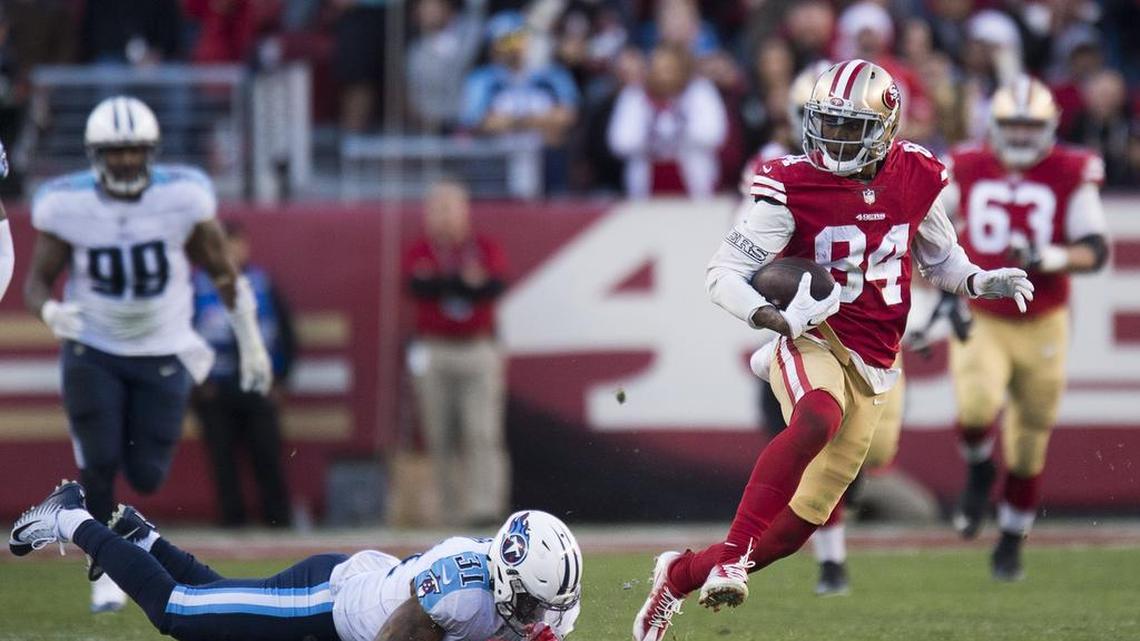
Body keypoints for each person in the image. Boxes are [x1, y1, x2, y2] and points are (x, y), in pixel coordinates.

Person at [632, 59, 1034, 641]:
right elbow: (722, 274)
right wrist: (776, 317)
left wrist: (978, 280)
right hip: (813, 334)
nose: (834, 138)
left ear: (887, 128)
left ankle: (679, 574)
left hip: (876, 359)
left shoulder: (917, 172)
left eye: (851, 127)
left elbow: (939, 259)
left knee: (795, 530)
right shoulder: (790, 183)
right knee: (817, 415)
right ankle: (729, 558)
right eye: (828, 123)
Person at [23, 96, 273, 613]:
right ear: (96, 155)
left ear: (151, 152)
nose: (125, 162)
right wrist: (50, 312)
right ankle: (106, 571)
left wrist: (250, 345)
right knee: (100, 461)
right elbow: (36, 281)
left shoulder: (181, 197)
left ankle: (126, 532)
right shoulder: (69, 205)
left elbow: (224, 272)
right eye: (115, 152)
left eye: (134, 151)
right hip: (93, 346)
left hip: (163, 349)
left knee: (146, 474)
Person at [9, 480, 582, 641]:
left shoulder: (543, 603)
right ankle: (69, 517)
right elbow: (398, 637)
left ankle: (144, 540)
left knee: (224, 602)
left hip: (372, 581)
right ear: (507, 577)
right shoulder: (461, 586)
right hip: (331, 604)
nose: (539, 614)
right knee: (182, 613)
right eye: (532, 599)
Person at [947, 76, 1109, 581]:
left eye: (1029, 126)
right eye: (1011, 125)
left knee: (1029, 441)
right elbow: (925, 226)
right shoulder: (966, 166)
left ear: (1050, 128)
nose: (1019, 136)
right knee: (975, 406)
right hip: (985, 313)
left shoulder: (1069, 170)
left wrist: (1050, 256)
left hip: (1043, 319)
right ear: (993, 125)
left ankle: (1011, 541)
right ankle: (977, 468)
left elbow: (1095, 249)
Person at [405, 178, 510, 527]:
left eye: (450, 208)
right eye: (437, 209)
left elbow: (493, 286)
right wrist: (463, 282)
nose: (444, 217)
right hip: (434, 348)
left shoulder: (483, 247)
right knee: (439, 434)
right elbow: (418, 286)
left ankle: (484, 509)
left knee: (482, 431)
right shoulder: (420, 249)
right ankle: (448, 511)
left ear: (465, 212)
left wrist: (444, 283)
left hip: (476, 346)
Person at [192, 221, 296, 528]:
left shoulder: (262, 283)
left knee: (267, 454)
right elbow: (183, 337)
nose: (230, 252)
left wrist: (281, 380)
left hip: (259, 386)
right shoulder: (198, 286)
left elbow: (286, 334)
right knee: (222, 460)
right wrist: (198, 384)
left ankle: (278, 520)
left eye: (235, 244)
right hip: (216, 387)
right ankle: (231, 520)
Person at [459, 11, 580, 193]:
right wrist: (537, 122)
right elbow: (477, 121)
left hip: (547, 162)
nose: (514, 47)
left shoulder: (551, 75)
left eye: (518, 39)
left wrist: (513, 122)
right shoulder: (482, 79)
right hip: (498, 164)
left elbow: (567, 116)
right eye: (506, 40)